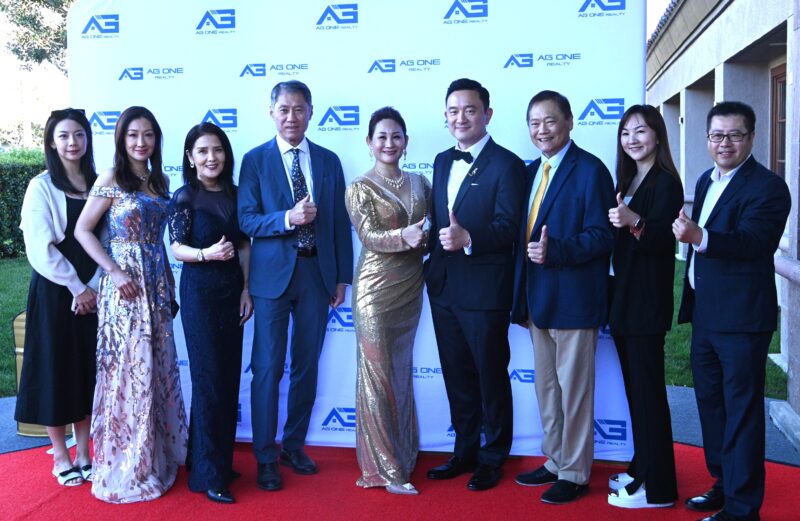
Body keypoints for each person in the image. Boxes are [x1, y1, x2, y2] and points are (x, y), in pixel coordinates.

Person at [673, 101, 790, 521]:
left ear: (752, 137)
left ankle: (742, 509)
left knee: (741, 413)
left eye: (735, 135)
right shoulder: (707, 179)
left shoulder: (769, 188)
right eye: (717, 135)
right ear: (707, 138)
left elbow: (754, 243)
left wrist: (699, 236)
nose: (725, 143)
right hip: (706, 315)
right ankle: (724, 484)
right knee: (712, 406)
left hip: (742, 320)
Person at [238, 80, 353, 492]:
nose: (291, 117)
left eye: (299, 109)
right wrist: (288, 218)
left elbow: (338, 223)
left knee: (306, 365)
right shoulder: (255, 160)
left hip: (316, 276)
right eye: (284, 109)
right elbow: (247, 220)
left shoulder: (328, 161)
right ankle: (265, 456)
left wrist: (341, 276)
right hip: (271, 280)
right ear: (272, 112)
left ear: (310, 112)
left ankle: (293, 445)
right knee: (267, 368)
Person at [75, 106, 188, 503]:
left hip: (156, 284)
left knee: (154, 366)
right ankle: (127, 460)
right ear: (121, 139)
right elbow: (83, 230)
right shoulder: (110, 179)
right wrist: (114, 271)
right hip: (124, 289)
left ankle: (155, 455)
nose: (141, 142)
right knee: (128, 368)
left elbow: (159, 242)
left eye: (148, 135)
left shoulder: (161, 180)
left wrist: (168, 287)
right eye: (133, 135)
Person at [511, 90, 615, 504]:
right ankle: (555, 459)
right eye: (534, 123)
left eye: (550, 121)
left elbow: (603, 236)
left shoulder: (591, 170)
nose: (542, 130)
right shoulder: (531, 171)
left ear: (570, 122)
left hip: (575, 300)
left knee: (574, 392)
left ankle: (574, 471)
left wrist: (557, 250)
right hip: (538, 300)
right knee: (548, 389)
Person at [424, 78, 525, 492]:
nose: (460, 118)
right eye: (453, 111)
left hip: (484, 290)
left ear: (487, 114)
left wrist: (469, 238)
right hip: (443, 287)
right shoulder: (441, 160)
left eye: (469, 110)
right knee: (457, 374)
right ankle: (464, 449)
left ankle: (493, 455)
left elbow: (509, 226)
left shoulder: (508, 164)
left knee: (490, 375)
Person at [345, 107, 431, 496]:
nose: (389, 143)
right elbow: (368, 236)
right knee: (377, 376)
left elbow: (432, 226)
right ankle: (384, 468)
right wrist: (403, 238)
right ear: (369, 142)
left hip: (410, 287)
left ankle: (403, 453)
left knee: (399, 372)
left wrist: (427, 238)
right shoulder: (359, 187)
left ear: (406, 141)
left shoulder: (420, 182)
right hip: (374, 291)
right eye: (381, 136)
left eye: (396, 136)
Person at [15, 108, 101, 487]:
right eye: (64, 136)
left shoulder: (98, 182)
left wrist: (93, 286)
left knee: (86, 370)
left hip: (94, 292)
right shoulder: (41, 186)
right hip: (55, 292)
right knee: (55, 370)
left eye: (79, 135)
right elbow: (40, 248)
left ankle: (84, 452)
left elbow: (107, 241)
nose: (72, 142)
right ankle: (61, 457)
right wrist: (76, 287)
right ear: (51, 142)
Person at [168, 123, 252, 504]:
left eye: (217, 150)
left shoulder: (236, 194)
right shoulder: (185, 196)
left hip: (232, 294)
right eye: (202, 151)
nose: (211, 157)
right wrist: (207, 254)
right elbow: (176, 247)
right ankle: (209, 474)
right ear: (190, 157)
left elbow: (245, 246)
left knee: (227, 380)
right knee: (208, 381)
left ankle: (212, 460)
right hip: (200, 296)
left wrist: (247, 289)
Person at [605, 105, 683, 509]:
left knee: (649, 394)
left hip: (646, 304)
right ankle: (642, 467)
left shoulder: (666, 182)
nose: (632, 139)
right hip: (623, 301)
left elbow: (663, 241)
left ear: (657, 136)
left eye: (640, 131)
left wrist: (634, 221)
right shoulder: (627, 178)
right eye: (625, 132)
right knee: (637, 393)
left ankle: (660, 488)